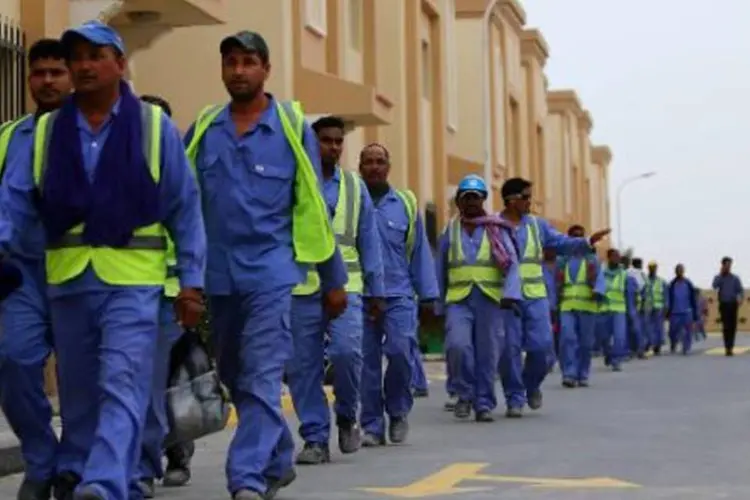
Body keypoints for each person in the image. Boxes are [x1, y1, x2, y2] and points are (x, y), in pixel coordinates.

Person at [0, 21, 206, 500]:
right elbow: (12, 203)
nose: (85, 65)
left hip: (133, 284)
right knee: (79, 393)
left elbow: (185, 208)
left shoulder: (154, 128)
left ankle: (106, 482)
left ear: (120, 63)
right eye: (79, 57)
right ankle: (75, 467)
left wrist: (191, 282)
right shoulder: (47, 132)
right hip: (68, 281)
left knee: (122, 381)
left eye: (96, 56)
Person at [183, 30, 348, 500]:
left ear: (266, 69)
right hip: (217, 275)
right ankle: (276, 456)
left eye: (248, 61)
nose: (239, 70)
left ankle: (247, 478)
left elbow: (313, 206)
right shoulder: (204, 128)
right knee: (234, 372)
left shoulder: (293, 128)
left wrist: (333, 279)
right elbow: (181, 204)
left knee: (260, 373)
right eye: (230, 62)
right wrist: (185, 281)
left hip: (272, 273)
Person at [286, 116, 385, 465]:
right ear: (312, 143)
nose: (333, 147)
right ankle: (314, 437)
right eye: (325, 140)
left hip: (348, 286)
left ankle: (346, 414)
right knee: (303, 366)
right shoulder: (295, 182)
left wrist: (377, 292)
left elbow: (369, 242)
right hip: (302, 286)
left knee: (345, 353)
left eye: (338, 141)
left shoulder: (355, 188)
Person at [0, 38, 71, 500]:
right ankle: (42, 461)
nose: (46, 81)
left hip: (80, 274)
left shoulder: (94, 131)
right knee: (12, 361)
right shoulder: (9, 136)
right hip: (21, 275)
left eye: (55, 72)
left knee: (84, 381)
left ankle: (76, 468)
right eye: (38, 72)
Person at [497, 177, 609, 418]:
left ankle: (531, 384)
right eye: (526, 197)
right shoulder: (494, 226)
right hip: (506, 296)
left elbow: (561, 242)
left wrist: (587, 241)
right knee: (509, 349)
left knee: (544, 348)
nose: (530, 202)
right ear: (512, 200)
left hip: (536, 295)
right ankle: (514, 397)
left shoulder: (538, 226)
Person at [358, 143, 439, 441]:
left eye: (380, 161)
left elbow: (419, 251)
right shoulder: (353, 201)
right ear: (360, 166)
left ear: (388, 166)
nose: (374, 167)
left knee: (400, 352)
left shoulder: (404, 203)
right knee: (365, 362)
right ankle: (371, 424)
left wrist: (428, 295)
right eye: (368, 162)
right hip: (362, 296)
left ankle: (398, 410)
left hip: (399, 294)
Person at [135, 94, 195, 496]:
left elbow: (194, 231)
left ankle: (164, 455)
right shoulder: (121, 168)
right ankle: (152, 458)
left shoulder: (183, 172)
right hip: (138, 288)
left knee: (170, 379)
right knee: (149, 380)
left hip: (178, 294)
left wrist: (193, 287)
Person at [435, 174, 521, 422]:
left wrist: (510, 294)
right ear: (459, 202)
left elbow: (512, 263)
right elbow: (440, 267)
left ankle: (483, 403)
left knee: (487, 353)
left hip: (489, 299)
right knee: (457, 346)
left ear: (483, 199)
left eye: (476, 197)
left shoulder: (496, 228)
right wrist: (436, 303)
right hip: (458, 300)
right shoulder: (450, 229)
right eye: (466, 197)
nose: (471, 202)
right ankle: (464, 393)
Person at [557, 225, 605, 387]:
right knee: (567, 339)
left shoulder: (593, 261)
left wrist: (598, 291)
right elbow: (554, 281)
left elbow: (600, 280)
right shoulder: (562, 261)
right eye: (573, 238)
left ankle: (583, 374)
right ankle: (569, 374)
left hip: (588, 306)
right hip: (567, 306)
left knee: (585, 343)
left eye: (580, 237)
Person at [598, 249, 637, 371]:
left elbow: (629, 295)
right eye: (614, 256)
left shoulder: (624, 275)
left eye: (618, 257)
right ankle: (608, 354)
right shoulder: (601, 273)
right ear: (609, 258)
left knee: (619, 336)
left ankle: (616, 360)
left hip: (619, 310)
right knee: (603, 338)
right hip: (603, 310)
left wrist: (631, 313)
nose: (617, 259)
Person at [712, 256, 743, 356]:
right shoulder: (719, 277)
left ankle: (731, 346)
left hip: (733, 304)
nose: (728, 267)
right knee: (726, 326)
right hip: (724, 304)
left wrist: (740, 298)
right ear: (723, 265)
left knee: (733, 326)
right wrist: (721, 274)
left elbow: (740, 290)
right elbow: (714, 286)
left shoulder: (735, 278)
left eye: (730, 265)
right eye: (726, 265)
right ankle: (727, 347)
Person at [667, 264, 698, 355]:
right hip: (675, 312)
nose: (679, 272)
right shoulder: (672, 284)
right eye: (678, 270)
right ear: (675, 272)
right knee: (673, 331)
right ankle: (673, 343)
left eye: (681, 270)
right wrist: (668, 311)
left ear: (683, 271)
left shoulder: (688, 283)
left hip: (687, 311)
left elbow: (693, 298)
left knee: (688, 330)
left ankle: (686, 347)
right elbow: (669, 298)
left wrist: (695, 312)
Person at [644, 261, 669, 355]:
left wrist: (666, 307)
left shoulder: (661, 281)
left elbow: (665, 295)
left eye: (654, 267)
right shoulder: (645, 280)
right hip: (647, 307)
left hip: (659, 307)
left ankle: (657, 346)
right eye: (651, 267)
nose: (652, 269)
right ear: (648, 268)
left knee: (658, 327)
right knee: (647, 327)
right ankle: (648, 343)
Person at [630, 257, 648, 358]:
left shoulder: (627, 272)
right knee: (639, 328)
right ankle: (640, 350)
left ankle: (632, 349)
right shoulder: (640, 274)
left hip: (628, 304)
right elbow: (643, 290)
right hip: (637, 304)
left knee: (631, 328)